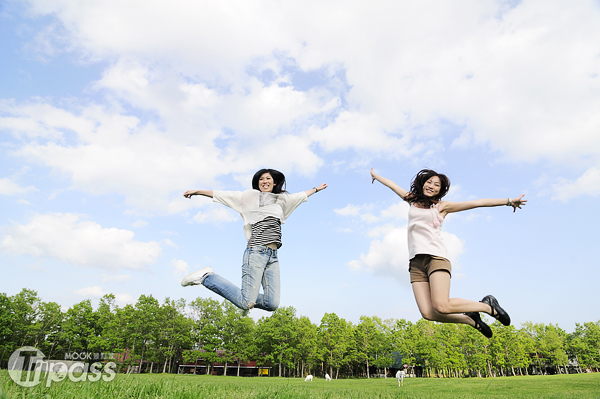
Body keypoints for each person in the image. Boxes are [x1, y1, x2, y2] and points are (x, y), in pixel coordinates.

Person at [370, 168, 526, 337]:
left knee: (442, 306)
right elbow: (393, 185)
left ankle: (487, 306)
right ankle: (471, 320)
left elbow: (476, 202)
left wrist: (509, 201)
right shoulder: (412, 200)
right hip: (415, 263)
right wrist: (376, 176)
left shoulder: (442, 206)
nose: (431, 186)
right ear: (422, 184)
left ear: (440, 190)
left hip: (435, 258)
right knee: (428, 313)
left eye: (436, 184)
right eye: (429, 182)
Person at [181, 169, 327, 314]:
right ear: (258, 183)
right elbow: (224, 195)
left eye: (268, 178)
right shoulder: (249, 197)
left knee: (272, 304)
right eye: (261, 179)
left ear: (274, 182)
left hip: (273, 256)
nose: (265, 181)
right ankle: (207, 277)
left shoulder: (282, 200)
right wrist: (197, 191)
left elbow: (300, 196)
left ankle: (245, 298)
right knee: (245, 302)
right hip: (256, 251)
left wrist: (316, 189)